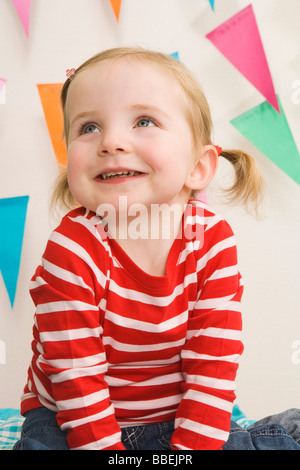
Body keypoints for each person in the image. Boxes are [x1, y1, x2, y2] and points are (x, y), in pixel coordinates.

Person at [14, 47, 299, 451]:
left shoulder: (211, 241)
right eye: (88, 127)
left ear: (198, 167)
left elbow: (213, 362)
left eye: (143, 121)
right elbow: (76, 377)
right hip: (70, 419)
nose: (111, 141)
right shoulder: (72, 249)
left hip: (177, 413)